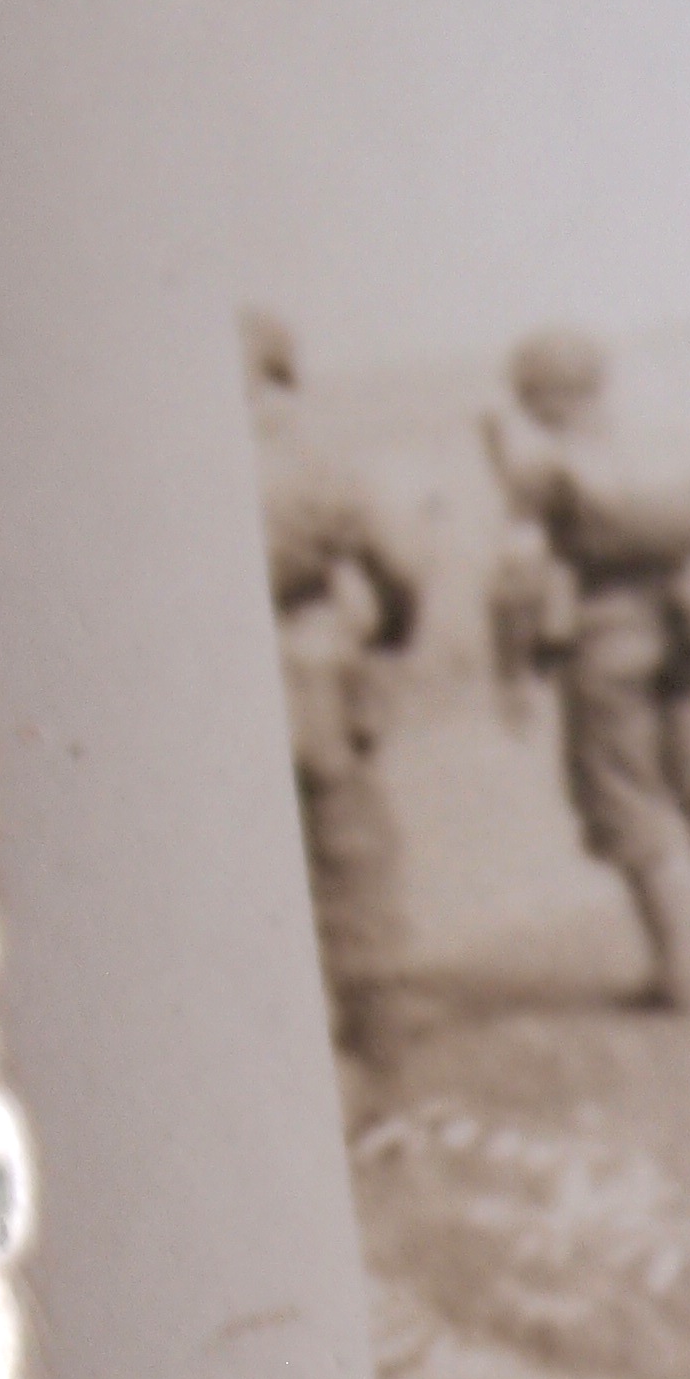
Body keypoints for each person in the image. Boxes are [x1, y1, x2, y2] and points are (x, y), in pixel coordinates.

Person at [484, 327, 690, 1006]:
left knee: (626, 801)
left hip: (605, 640)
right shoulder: (665, 446)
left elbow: (517, 579)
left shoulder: (542, 472)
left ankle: (675, 970)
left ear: (539, 397)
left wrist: (511, 672)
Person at [245, 308, 422, 1100]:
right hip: (313, 666)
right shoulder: (307, 450)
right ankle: (381, 1065)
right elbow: (395, 566)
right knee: (351, 859)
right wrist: (388, 638)